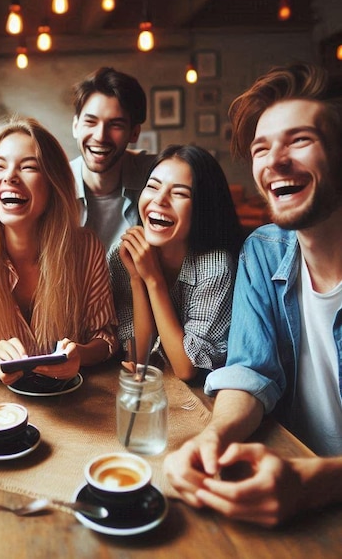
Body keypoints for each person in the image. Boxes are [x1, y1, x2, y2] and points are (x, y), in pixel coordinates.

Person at [164, 62, 342, 527]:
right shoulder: (262, 252)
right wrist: (213, 436)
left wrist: (315, 483)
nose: (274, 161)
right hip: (282, 477)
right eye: (262, 148)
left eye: (300, 140)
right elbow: (249, 369)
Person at [0, 117, 117, 385]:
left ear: (53, 183)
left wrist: (80, 354)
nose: (10, 176)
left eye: (28, 167)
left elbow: (105, 337)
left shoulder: (85, 249)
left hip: (71, 398)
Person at [118, 145, 243, 382]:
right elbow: (137, 360)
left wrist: (153, 280)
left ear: (202, 208)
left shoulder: (216, 267)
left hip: (198, 399)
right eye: (153, 187)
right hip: (154, 388)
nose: (160, 200)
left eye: (180, 193)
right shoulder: (125, 254)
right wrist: (137, 278)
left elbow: (186, 369)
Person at [70, 67, 156, 351]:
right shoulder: (52, 188)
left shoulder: (156, 179)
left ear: (134, 132)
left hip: (144, 339)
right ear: (75, 126)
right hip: (76, 340)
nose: (100, 135)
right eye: (90, 122)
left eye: (115, 124)